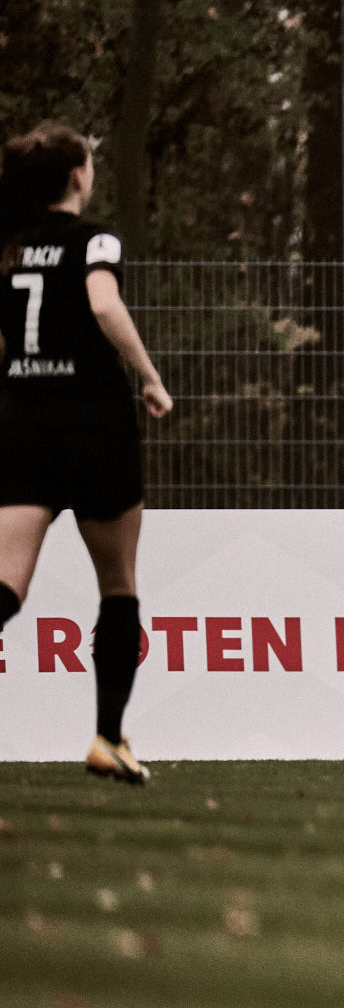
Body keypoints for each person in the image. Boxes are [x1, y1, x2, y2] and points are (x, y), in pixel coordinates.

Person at [0, 121, 172, 785]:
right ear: (78, 177)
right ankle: (108, 738)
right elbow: (104, 303)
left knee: (7, 585)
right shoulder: (93, 239)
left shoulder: (8, 248)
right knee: (118, 586)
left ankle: (110, 738)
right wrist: (150, 376)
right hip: (96, 424)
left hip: (21, 425)